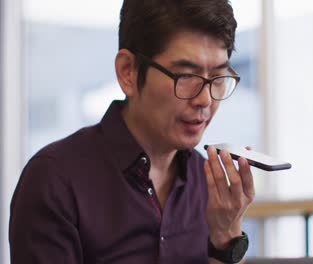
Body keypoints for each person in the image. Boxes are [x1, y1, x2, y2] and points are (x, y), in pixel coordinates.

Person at [9, 0, 255, 263]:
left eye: (218, 77)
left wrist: (225, 236)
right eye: (185, 76)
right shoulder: (55, 179)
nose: (205, 100)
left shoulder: (206, 183)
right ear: (128, 71)